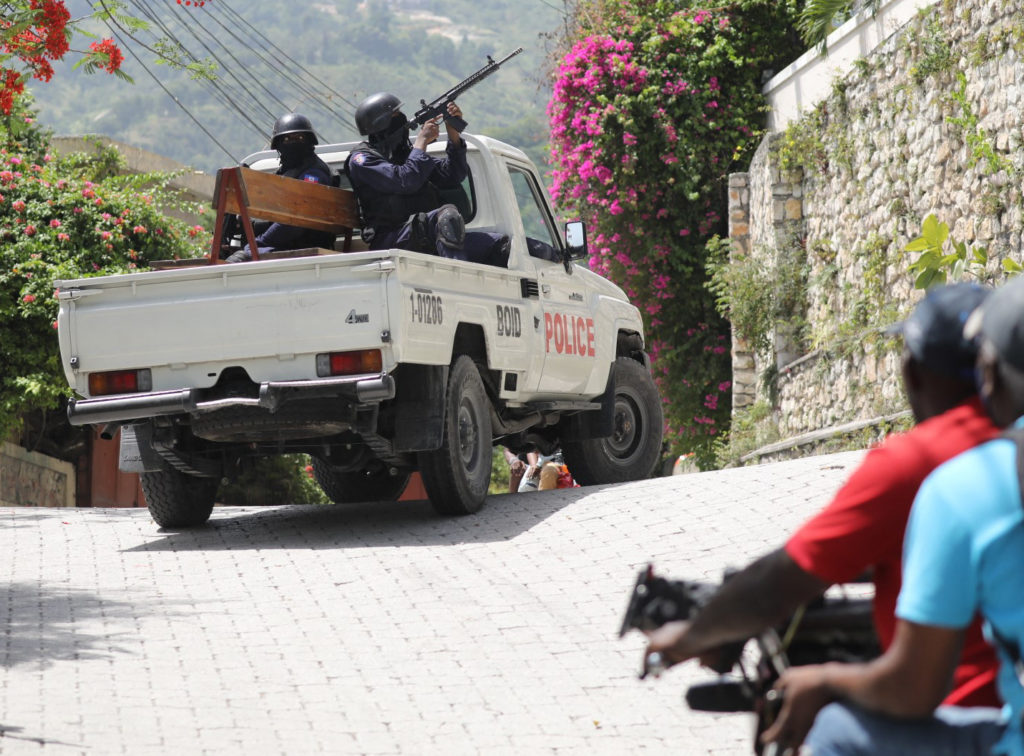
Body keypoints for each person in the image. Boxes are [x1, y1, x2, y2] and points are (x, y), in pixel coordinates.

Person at [644, 283, 1002, 708]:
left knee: (821, 714)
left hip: (969, 716)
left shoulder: (914, 463)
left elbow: (779, 582)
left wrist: (688, 637)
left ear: (913, 372)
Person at [761, 277, 1024, 755]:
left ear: (990, 373)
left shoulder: (966, 483)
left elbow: (914, 688)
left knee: (833, 727)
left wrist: (824, 680)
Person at [346, 92, 510, 267]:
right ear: (381, 123)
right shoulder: (363, 160)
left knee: (501, 247)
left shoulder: (406, 155)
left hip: (426, 236)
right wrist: (422, 142)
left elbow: (452, 176)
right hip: (392, 240)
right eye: (396, 115)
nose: (402, 119)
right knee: (447, 215)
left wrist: (453, 134)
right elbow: (405, 180)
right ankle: (458, 276)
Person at [225, 113, 335, 263]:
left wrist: (257, 245)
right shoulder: (287, 173)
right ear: (279, 145)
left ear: (309, 141)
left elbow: (295, 221)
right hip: (285, 244)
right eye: (287, 139)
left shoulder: (314, 173)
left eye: (300, 138)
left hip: (301, 245)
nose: (293, 143)